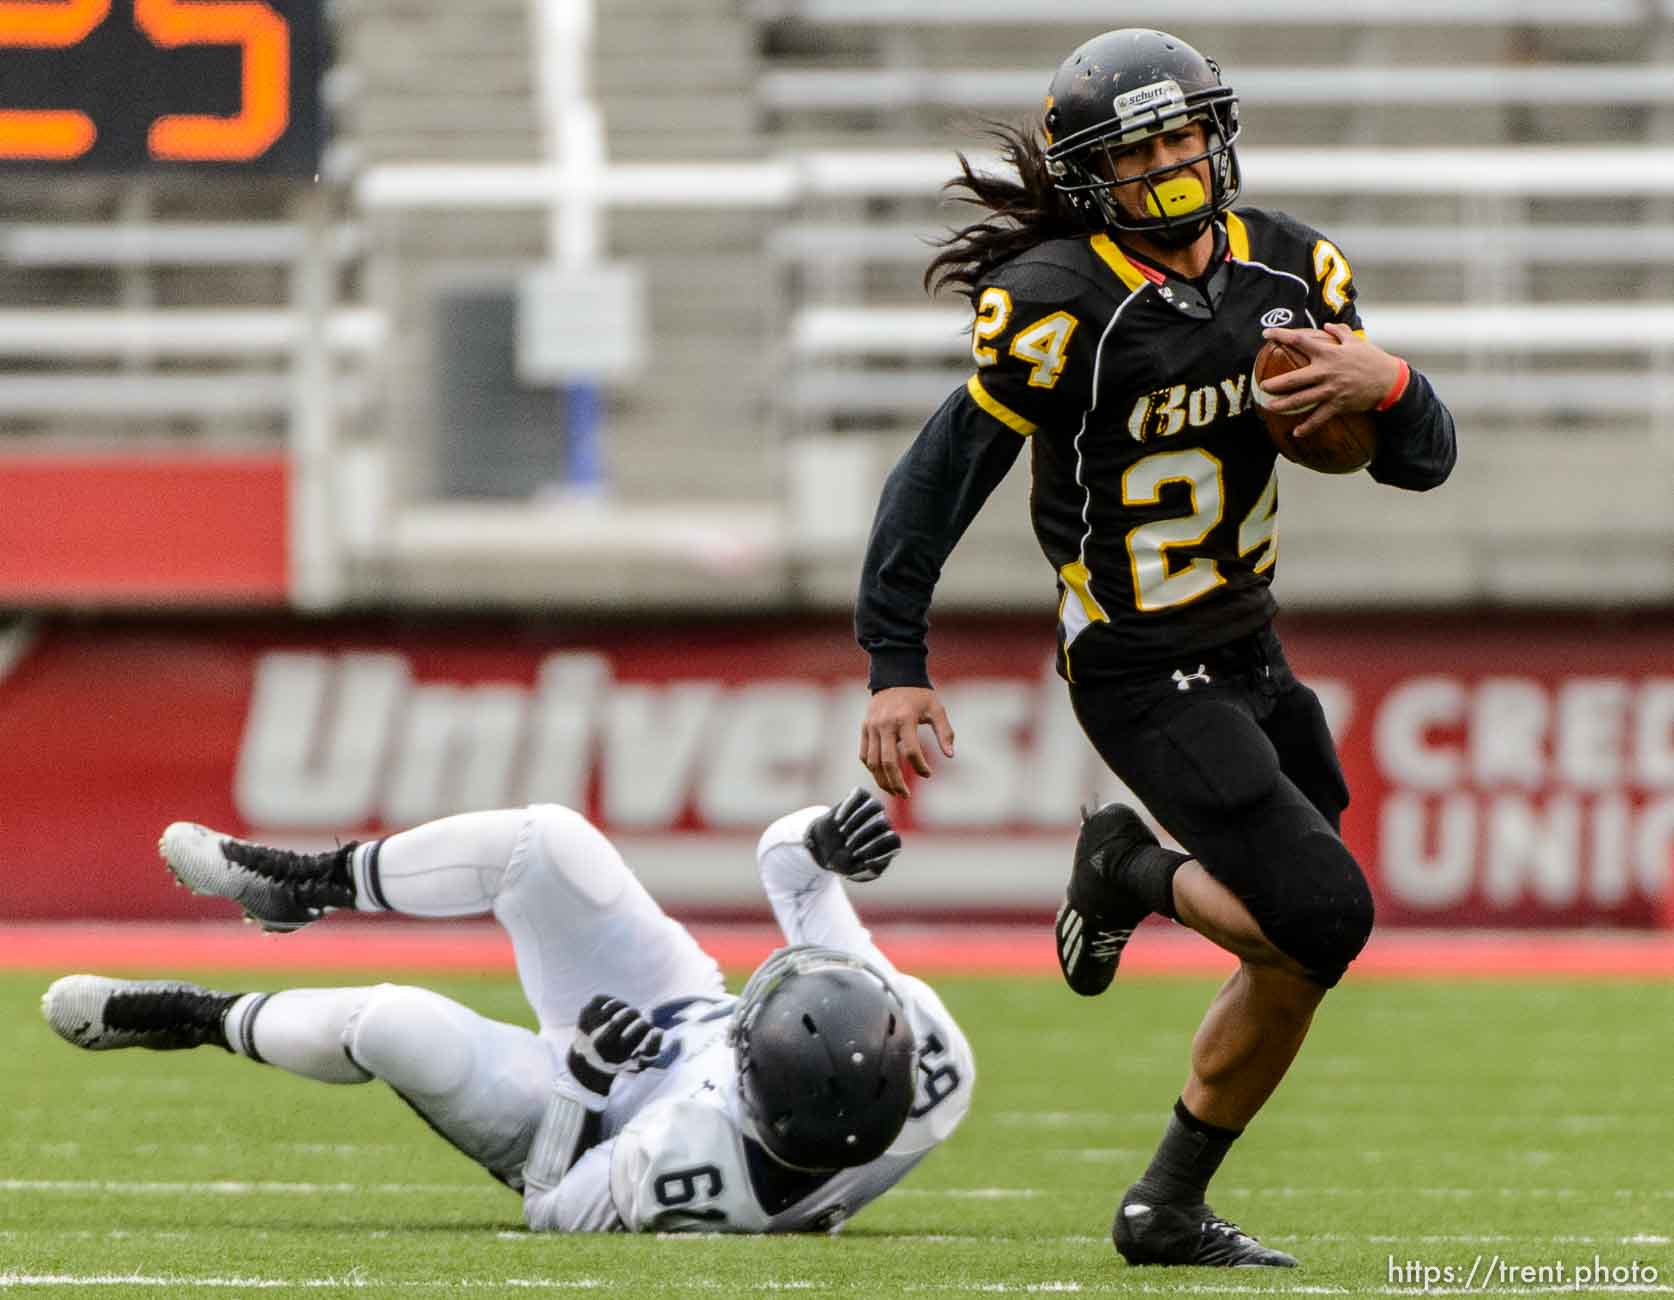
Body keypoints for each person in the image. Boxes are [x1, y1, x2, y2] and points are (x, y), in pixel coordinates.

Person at [854, 28, 1455, 1268]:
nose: (1175, 162)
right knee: (1326, 912)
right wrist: (895, 656)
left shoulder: (1291, 269)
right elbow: (942, 475)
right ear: (1093, 174)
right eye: (1141, 148)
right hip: (1134, 660)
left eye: (1187, 133)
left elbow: (1422, 461)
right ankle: (1124, 864)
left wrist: (1386, 383)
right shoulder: (1061, 300)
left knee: (1304, 950)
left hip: (1251, 647)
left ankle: (1165, 1205)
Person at [42, 789, 974, 1234]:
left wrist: (585, 1078)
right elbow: (790, 870)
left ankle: (198, 1016)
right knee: (549, 841)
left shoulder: (692, 1167)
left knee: (394, 1022)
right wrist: (821, 838)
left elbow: (551, 1201)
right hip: (670, 1005)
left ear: (752, 1098)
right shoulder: (918, 1049)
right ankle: (300, 884)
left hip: (588, 1113)